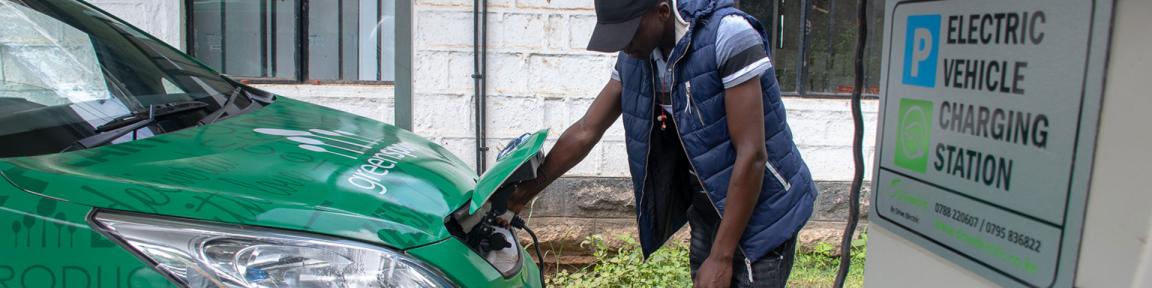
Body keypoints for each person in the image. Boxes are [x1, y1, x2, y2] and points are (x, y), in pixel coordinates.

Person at [507, 0, 816, 286]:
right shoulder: (638, 55)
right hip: (708, 203)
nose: (624, 46)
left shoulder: (729, 36)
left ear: (663, 11)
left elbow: (752, 155)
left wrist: (721, 256)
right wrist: (526, 192)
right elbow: (588, 129)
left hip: (764, 208)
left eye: (629, 34)